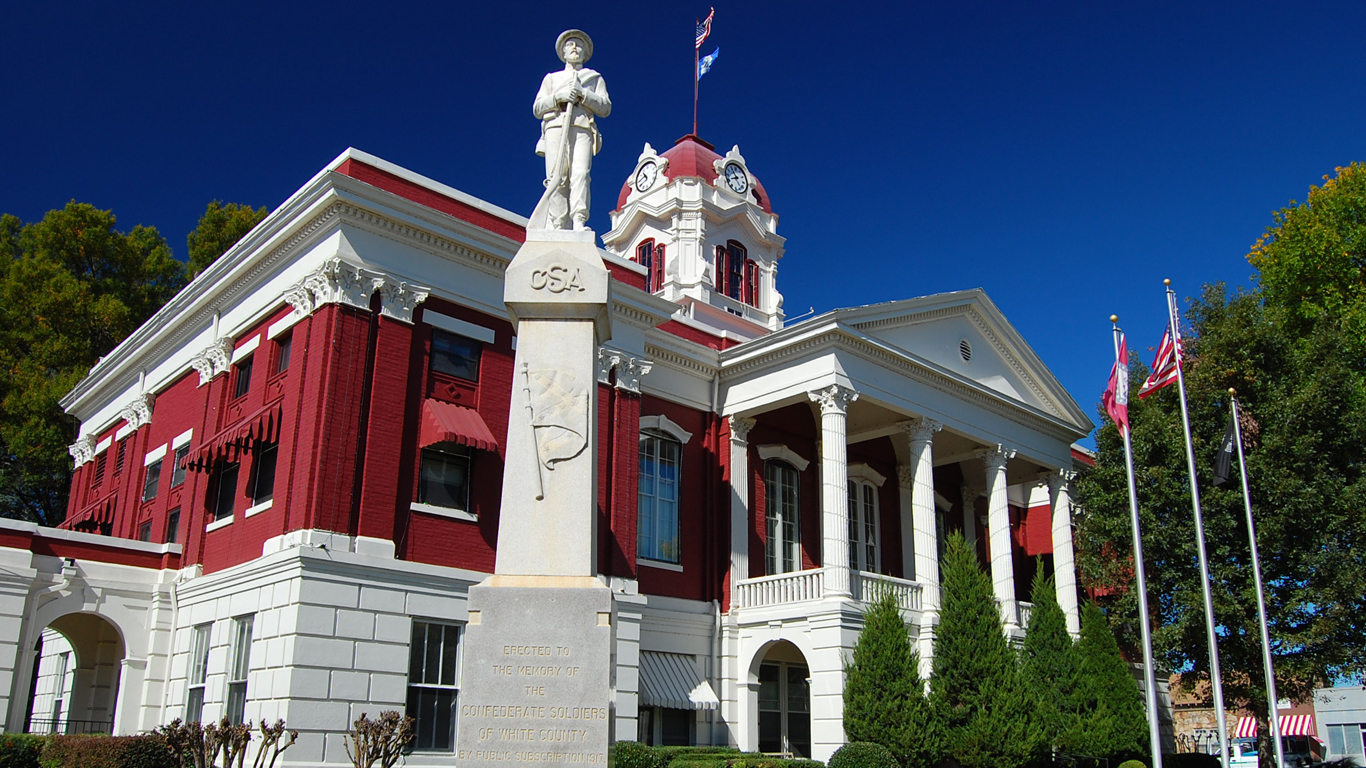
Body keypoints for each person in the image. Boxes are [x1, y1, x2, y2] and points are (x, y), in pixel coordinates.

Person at [531, 30, 611, 231]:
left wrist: (583, 94)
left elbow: (605, 107)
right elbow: (537, 108)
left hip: (583, 127)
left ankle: (578, 219)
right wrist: (558, 97)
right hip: (556, 127)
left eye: (579, 45)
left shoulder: (593, 78)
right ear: (563, 52)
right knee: (557, 175)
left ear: (585, 53)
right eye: (570, 44)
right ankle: (558, 222)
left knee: (581, 174)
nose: (575, 48)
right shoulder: (552, 79)